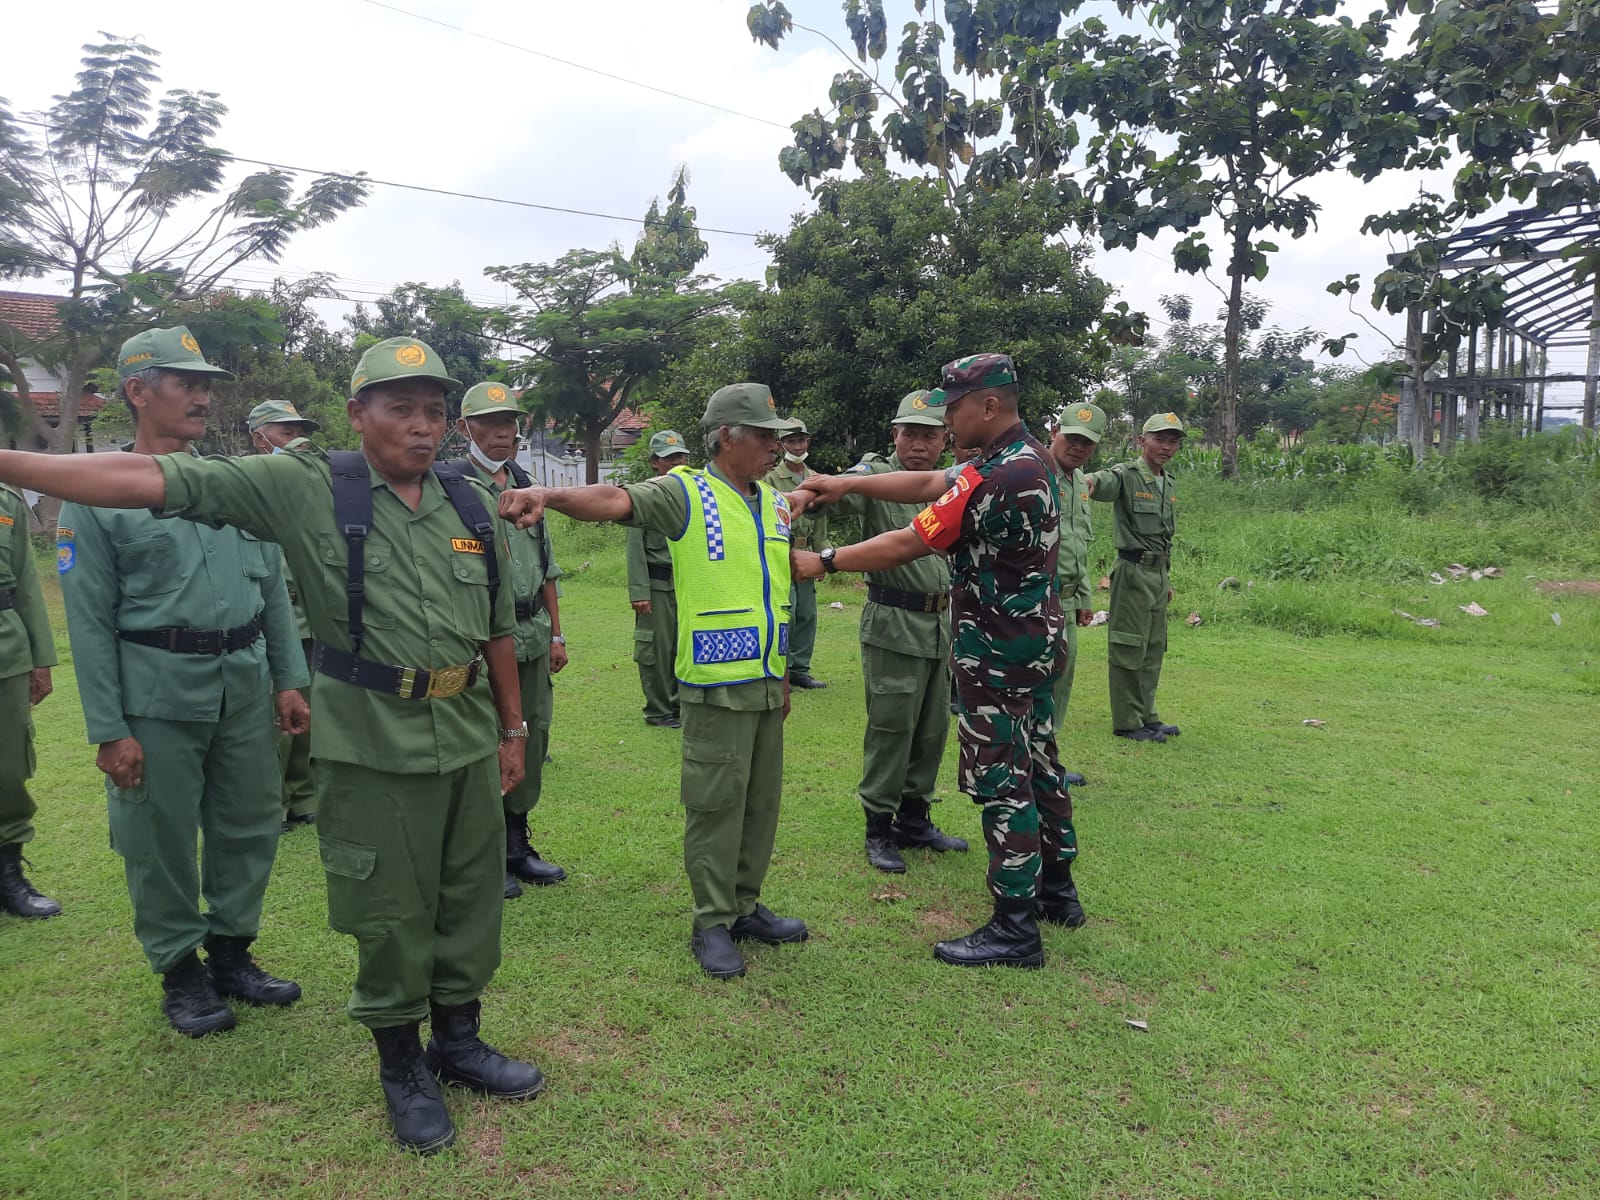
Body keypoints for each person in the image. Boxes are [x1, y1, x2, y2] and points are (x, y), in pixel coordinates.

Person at [1, 334, 543, 1156]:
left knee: (469, 898)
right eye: (401, 409)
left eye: (435, 411)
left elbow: (499, 626)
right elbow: (143, 480)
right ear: (358, 414)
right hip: (366, 741)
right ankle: (401, 1065)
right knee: (389, 909)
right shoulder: (303, 484)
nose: (423, 427)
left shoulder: (468, 501)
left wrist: (513, 728)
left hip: (465, 734)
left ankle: (459, 1040)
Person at [498, 383, 807, 981]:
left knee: (760, 803)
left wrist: (787, 673)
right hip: (715, 682)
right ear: (726, 437)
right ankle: (712, 922)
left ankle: (745, 905)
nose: (776, 446)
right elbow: (614, 499)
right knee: (716, 804)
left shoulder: (772, 502)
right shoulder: (686, 492)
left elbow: (777, 591)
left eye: (777, 435)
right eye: (765, 436)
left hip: (767, 677)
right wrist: (549, 495)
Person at [55, 328, 311, 1039]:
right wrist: (109, 728)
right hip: (157, 695)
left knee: (251, 822)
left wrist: (289, 678)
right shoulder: (97, 496)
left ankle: (232, 954)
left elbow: (270, 590)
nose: (203, 394)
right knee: (159, 836)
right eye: (184, 381)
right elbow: (88, 621)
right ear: (138, 391)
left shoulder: (234, 485)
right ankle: (180, 970)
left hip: (242, 684)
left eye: (206, 382)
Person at [792, 353, 1085, 969]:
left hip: (998, 650)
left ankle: (1014, 929)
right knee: (1041, 762)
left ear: (988, 406)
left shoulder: (1001, 477)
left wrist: (824, 561)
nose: (947, 423)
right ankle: (1058, 893)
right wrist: (849, 482)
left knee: (1005, 781)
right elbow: (929, 483)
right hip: (1031, 641)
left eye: (952, 410)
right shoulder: (1018, 458)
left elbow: (911, 538)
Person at [825, 390, 967, 873]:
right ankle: (878, 827)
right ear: (895, 435)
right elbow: (844, 487)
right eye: (910, 433)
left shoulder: (949, 483)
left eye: (930, 435)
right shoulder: (874, 475)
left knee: (932, 728)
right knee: (891, 727)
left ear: (945, 438)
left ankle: (915, 818)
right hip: (893, 620)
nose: (919, 444)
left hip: (939, 623)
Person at [452, 381, 567, 896]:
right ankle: (485, 851)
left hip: (533, 632)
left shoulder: (526, 484)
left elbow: (546, 568)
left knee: (533, 732)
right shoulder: (449, 487)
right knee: (486, 737)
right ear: (463, 428)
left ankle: (517, 844)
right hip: (480, 639)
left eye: (510, 423)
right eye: (489, 423)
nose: (503, 432)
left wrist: (558, 633)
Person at [1086, 412, 1184, 743]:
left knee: (1154, 648)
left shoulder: (1167, 482)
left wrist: (1166, 579)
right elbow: (1097, 482)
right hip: (1132, 572)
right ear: (1142, 441)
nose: (1167, 447)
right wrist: (1078, 481)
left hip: (1158, 574)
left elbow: (1162, 537)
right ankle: (1127, 721)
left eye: (1173, 441)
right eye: (1160, 439)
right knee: (1129, 645)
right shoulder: (1126, 475)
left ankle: (1147, 714)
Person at [247, 399, 320, 832]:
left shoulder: (307, 487)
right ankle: (271, 803)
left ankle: (304, 794)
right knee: (273, 719)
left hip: (311, 620)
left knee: (308, 715)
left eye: (298, 431)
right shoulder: (248, 488)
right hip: (272, 623)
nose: (295, 440)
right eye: (285, 432)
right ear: (260, 439)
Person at [0, 482, 61, 919]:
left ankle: (8, 877)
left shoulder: (5, 499)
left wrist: (41, 659)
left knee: (8, 764)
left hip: (4, 647)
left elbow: (25, 582)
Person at [1045, 402, 1109, 785]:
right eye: (1072, 437)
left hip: (1067, 601)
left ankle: (1047, 760)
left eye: (1087, 442)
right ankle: (1030, 764)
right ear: (1055, 431)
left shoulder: (1079, 482)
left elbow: (1077, 546)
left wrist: (1084, 597)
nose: (1078, 447)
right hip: (1036, 601)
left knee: (1059, 685)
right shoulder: (1034, 474)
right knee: (1034, 686)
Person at [627, 430, 688, 728]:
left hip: (686, 585)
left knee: (683, 646)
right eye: (669, 458)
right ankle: (658, 709)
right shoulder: (645, 496)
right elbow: (634, 547)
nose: (676, 463)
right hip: (656, 586)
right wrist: (640, 591)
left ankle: (679, 706)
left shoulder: (691, 494)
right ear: (654, 462)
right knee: (656, 649)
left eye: (680, 457)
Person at [766, 417, 829, 689]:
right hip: (783, 552)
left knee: (807, 614)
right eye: (791, 440)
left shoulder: (815, 478)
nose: (797, 445)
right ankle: (783, 670)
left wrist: (823, 553)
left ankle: (801, 669)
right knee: (786, 612)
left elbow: (821, 521)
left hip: (808, 552)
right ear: (781, 445)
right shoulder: (770, 478)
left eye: (801, 439)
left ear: (808, 441)